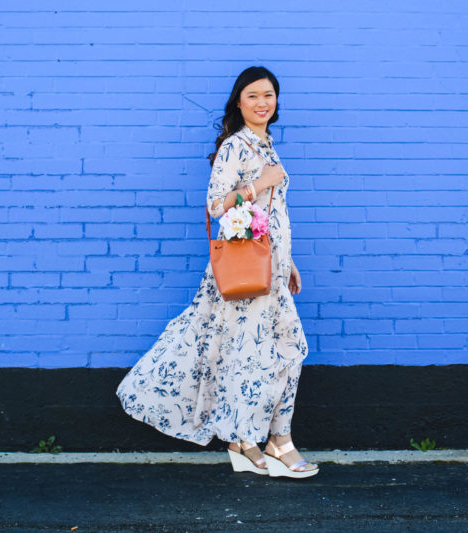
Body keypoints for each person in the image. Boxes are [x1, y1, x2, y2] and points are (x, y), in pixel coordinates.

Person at [116, 66, 318, 479]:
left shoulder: (267, 145)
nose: (263, 103)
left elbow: (272, 214)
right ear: (238, 104)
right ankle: (249, 439)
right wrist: (260, 182)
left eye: (269, 95)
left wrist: (288, 260)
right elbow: (215, 205)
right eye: (253, 97)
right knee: (252, 355)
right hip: (247, 273)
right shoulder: (235, 147)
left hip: (272, 269)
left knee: (285, 352)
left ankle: (274, 438)